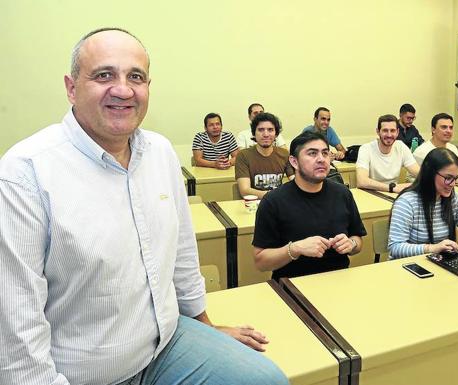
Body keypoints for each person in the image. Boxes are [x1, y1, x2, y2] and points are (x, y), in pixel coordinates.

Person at [0, 28, 287, 385]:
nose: (123, 89)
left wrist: (207, 329)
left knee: (267, 380)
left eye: (135, 77)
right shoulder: (25, 172)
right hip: (83, 374)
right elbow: (16, 326)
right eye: (104, 75)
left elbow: (182, 252)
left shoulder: (160, 153)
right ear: (71, 87)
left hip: (166, 344)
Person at [252, 131, 367, 280]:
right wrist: (295, 249)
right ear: (294, 162)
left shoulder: (342, 193)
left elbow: (358, 241)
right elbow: (261, 262)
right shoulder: (273, 201)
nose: (321, 159)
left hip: (339, 280)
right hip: (293, 287)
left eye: (325, 153)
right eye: (312, 153)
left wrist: (351, 244)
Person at [388, 148, 458, 259]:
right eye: (448, 178)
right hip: (408, 266)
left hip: (437, 261)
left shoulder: (453, 198)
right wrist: (432, 248)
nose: (453, 184)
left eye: (456, 178)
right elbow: (395, 247)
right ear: (430, 174)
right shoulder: (407, 202)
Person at [356, 114, 420, 193]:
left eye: (392, 130)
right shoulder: (366, 149)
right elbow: (362, 181)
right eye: (385, 130)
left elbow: (419, 174)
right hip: (371, 193)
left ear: (397, 132)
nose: (389, 135)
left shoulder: (401, 147)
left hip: (392, 194)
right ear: (378, 132)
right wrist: (392, 188)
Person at [235, 112, 294, 198]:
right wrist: (275, 196)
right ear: (254, 133)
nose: (266, 134)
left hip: (278, 205)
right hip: (254, 205)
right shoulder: (243, 155)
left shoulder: (284, 154)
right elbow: (245, 191)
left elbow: (294, 180)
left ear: (276, 134)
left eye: (270, 130)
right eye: (261, 130)